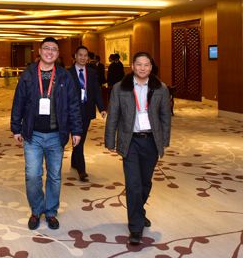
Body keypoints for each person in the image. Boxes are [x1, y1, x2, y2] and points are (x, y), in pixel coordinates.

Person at [11, 37, 83, 231]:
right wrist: (16, 127)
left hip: (56, 135)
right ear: (40, 51)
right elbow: (18, 101)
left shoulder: (64, 76)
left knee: (54, 176)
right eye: (47, 48)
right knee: (33, 175)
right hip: (32, 135)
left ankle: (51, 212)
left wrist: (76, 129)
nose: (50, 52)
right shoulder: (28, 74)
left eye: (54, 49)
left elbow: (73, 104)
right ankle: (36, 210)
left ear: (58, 54)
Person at [104, 52, 171, 245]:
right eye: (139, 64)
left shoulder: (160, 88)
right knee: (133, 183)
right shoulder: (120, 88)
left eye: (146, 65)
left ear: (151, 67)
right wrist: (110, 141)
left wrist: (164, 141)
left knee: (145, 182)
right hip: (130, 140)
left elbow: (165, 116)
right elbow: (113, 115)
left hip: (151, 140)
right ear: (132, 66)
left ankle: (139, 212)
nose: (142, 68)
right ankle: (135, 227)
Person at [67, 46, 106, 181]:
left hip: (86, 109)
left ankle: (75, 161)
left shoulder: (91, 72)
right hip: (71, 111)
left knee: (81, 139)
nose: (83, 58)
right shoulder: (68, 73)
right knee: (76, 138)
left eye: (85, 55)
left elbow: (96, 91)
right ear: (75, 56)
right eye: (80, 55)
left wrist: (102, 108)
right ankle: (82, 169)